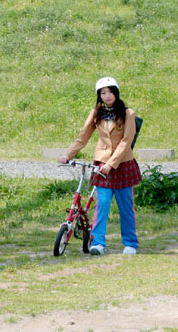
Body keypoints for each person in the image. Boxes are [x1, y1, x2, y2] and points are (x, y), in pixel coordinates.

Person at [59, 77, 142, 255]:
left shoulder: (128, 113)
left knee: (126, 206)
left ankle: (130, 243)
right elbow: (83, 136)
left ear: (116, 93)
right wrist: (68, 155)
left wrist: (111, 164)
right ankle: (98, 243)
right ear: (99, 95)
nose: (107, 95)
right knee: (101, 204)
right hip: (102, 165)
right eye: (103, 93)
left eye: (110, 92)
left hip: (123, 164)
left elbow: (126, 141)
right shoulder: (96, 113)